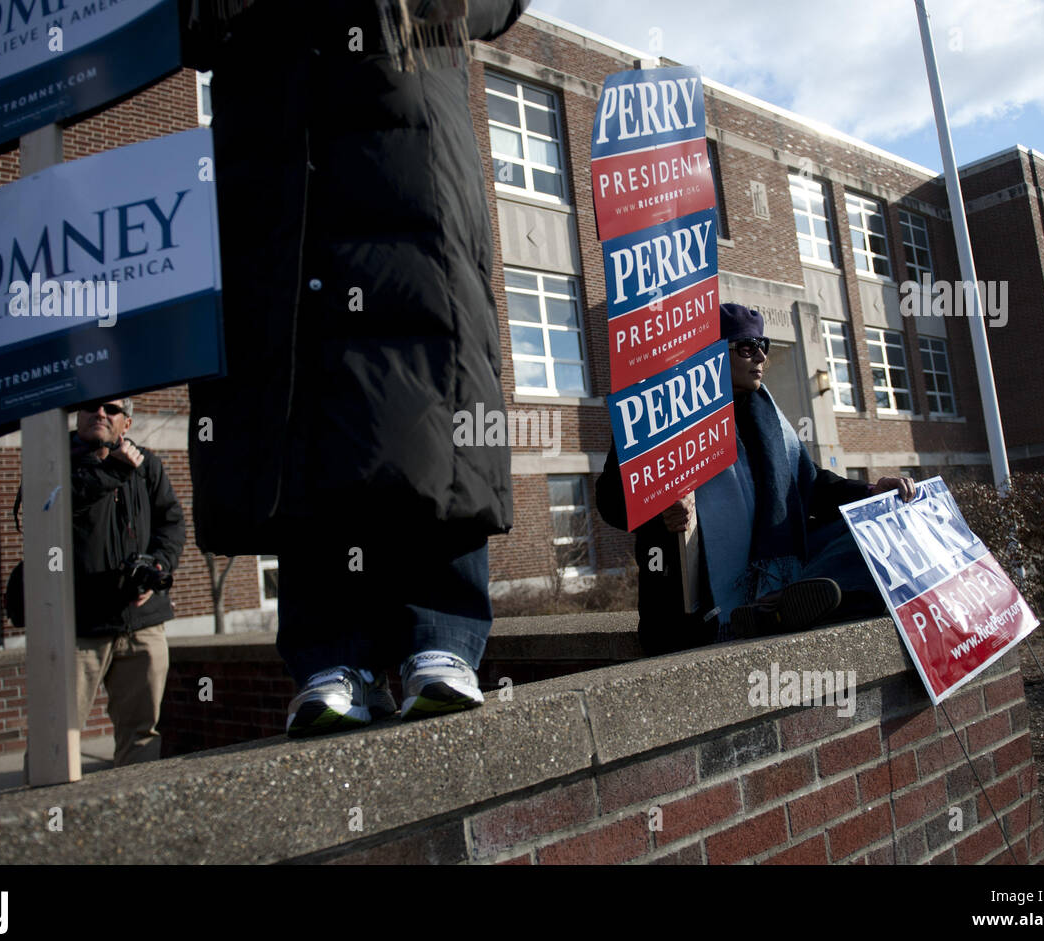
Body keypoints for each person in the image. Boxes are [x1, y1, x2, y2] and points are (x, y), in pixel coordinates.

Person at [181, 2, 527, 734]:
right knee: (301, 402)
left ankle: (441, 636)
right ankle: (330, 657)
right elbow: (186, 31)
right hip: (278, 191)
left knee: (433, 390)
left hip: (411, 168)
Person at [597, 303, 916, 654]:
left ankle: (777, 603)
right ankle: (767, 608)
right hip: (692, 609)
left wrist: (871, 491)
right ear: (711, 355)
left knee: (875, 526)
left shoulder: (770, 419)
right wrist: (660, 507)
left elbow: (810, 487)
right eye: (746, 347)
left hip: (771, 573)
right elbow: (610, 502)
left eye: (764, 345)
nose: (760, 356)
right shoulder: (658, 415)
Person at [66, 398, 185, 765]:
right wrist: (111, 472)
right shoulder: (56, 462)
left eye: (111, 409)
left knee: (142, 736)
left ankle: (139, 819)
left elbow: (171, 522)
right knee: (58, 736)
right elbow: (53, 512)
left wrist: (159, 567)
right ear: (78, 415)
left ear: (126, 423)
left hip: (142, 622)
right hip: (80, 627)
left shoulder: (147, 464)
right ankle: (49, 820)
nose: (100, 413)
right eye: (89, 406)